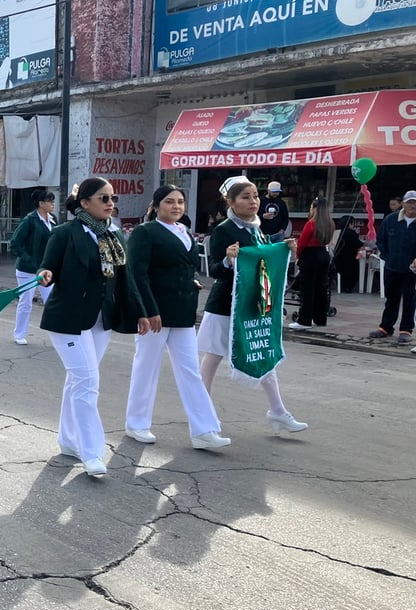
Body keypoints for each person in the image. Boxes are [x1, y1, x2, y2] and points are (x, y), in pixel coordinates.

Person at [37, 177, 140, 476]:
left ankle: (68, 440)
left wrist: (142, 313)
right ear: (84, 203)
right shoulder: (65, 233)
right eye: (103, 198)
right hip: (68, 320)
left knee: (77, 380)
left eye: (112, 198)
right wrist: (45, 273)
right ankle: (92, 451)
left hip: (99, 321)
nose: (111, 204)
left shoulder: (115, 236)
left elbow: (125, 279)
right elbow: (48, 266)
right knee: (87, 381)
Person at [198, 176, 308, 434]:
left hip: (252, 305)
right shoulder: (224, 230)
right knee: (212, 358)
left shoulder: (257, 228)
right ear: (231, 202)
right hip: (225, 304)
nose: (253, 202)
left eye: (255, 196)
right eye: (245, 197)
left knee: (262, 354)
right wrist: (228, 259)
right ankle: (201, 409)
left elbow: (262, 258)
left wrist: (283, 247)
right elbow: (215, 269)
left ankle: (278, 411)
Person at [124, 185, 228, 449]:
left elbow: (183, 266)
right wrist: (147, 310)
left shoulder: (184, 232)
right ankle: (137, 423)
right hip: (155, 312)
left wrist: (191, 281)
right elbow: (137, 273)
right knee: (146, 367)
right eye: (170, 202)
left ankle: (204, 430)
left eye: (180, 202)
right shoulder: (144, 232)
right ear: (157, 205)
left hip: (182, 310)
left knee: (191, 370)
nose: (176, 207)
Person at [368, 190, 416, 344]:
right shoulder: (391, 219)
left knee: (410, 300)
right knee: (391, 298)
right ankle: (386, 327)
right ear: (403, 204)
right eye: (409, 202)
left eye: (415, 202)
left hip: (412, 270)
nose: (412, 205)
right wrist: (387, 257)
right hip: (392, 267)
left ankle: (406, 329)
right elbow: (381, 240)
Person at [10, 190, 56, 346]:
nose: (52, 204)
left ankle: (57, 333)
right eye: (49, 201)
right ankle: (19, 334)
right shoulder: (29, 220)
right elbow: (15, 243)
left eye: (52, 201)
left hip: (45, 269)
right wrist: (28, 259)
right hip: (27, 270)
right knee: (26, 302)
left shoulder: (53, 220)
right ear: (41, 203)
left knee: (51, 300)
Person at [288, 197, 335, 331]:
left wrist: (298, 256)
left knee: (307, 289)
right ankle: (320, 318)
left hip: (310, 255)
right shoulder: (330, 223)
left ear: (314, 208)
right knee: (321, 288)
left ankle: (305, 320)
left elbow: (302, 243)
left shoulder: (311, 223)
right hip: (323, 254)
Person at [332, 215, 364, 293]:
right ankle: (348, 287)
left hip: (336, 260)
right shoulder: (351, 233)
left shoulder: (336, 232)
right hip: (349, 262)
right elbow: (358, 244)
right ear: (350, 224)